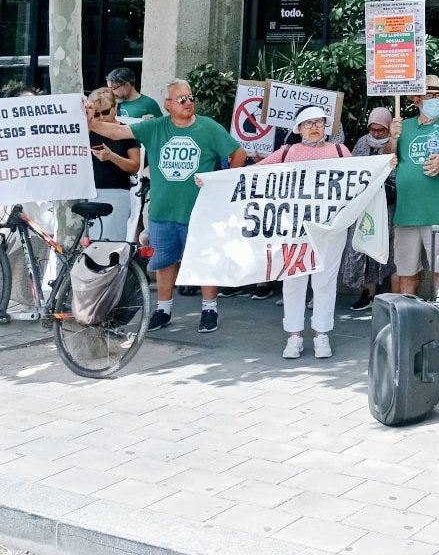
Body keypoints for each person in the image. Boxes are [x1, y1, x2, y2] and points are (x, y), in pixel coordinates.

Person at [86, 79, 246, 333]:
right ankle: (164, 309)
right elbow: (119, 132)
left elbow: (238, 153)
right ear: (168, 104)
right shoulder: (156, 127)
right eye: (182, 99)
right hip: (162, 211)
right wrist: (92, 123)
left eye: (191, 97)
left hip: (200, 212)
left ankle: (209, 309)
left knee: (205, 259)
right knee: (163, 262)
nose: (189, 103)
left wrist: (223, 183)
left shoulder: (208, 127)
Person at [255, 106, 351, 358]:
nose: (314, 127)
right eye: (308, 123)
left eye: (319, 122)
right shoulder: (287, 152)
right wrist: (214, 180)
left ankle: (322, 335)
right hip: (293, 229)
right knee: (294, 281)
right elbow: (253, 174)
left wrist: (386, 162)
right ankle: (294, 335)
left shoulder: (340, 152)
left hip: (330, 229)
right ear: (298, 128)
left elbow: (362, 177)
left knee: (325, 282)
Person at [385, 74, 439, 296]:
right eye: (429, 95)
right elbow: (388, 161)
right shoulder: (404, 126)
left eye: (438, 96)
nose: (435, 100)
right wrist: (392, 139)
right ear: (417, 100)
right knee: (406, 274)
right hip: (407, 214)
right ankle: (406, 321)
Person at [342, 107, 397, 311]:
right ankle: (366, 289)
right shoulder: (363, 142)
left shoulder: (395, 142)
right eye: (372, 129)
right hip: (363, 202)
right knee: (361, 241)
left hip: (385, 203)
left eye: (380, 130)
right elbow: (355, 169)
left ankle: (378, 289)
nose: (375, 134)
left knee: (381, 242)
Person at [86, 86, 141, 241]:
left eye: (105, 112)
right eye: (96, 114)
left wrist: (112, 157)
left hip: (117, 193)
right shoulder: (87, 131)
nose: (101, 117)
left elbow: (135, 165)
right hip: (88, 193)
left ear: (115, 108)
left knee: (112, 245)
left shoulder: (125, 131)